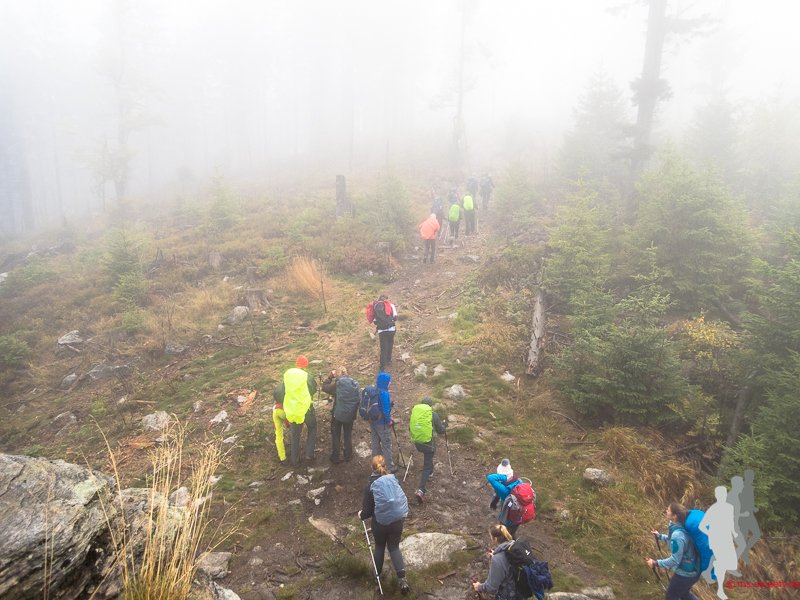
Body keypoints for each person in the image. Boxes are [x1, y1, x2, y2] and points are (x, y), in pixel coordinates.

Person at [359, 455, 411, 595]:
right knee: (394, 547)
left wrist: (361, 515)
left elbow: (367, 512)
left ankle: (378, 576)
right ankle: (403, 580)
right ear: (385, 466)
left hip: (380, 524)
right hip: (397, 521)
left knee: (380, 547)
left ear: (372, 468)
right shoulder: (394, 479)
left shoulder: (370, 486)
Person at [646, 502, 701, 600]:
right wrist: (660, 536)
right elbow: (677, 542)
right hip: (694, 571)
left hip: (685, 574)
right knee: (684, 595)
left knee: (670, 597)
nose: (666, 511)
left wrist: (655, 563)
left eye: (668, 510)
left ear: (674, 516)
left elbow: (675, 560)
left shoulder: (678, 534)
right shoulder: (681, 526)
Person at [273, 355, 318, 467]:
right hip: (306, 409)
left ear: (296, 364)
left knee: (295, 435)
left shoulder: (288, 375)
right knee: (312, 427)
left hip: (293, 411)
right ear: (305, 366)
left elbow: (280, 392)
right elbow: (314, 389)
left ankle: (295, 461)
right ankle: (309, 454)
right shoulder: (307, 376)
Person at [699, 487, 740, 599]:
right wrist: (711, 534)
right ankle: (720, 590)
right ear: (717, 496)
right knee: (722, 563)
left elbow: (730, 523)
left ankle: (710, 570)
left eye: (724, 494)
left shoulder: (729, 507)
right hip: (717, 540)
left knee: (730, 563)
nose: (723, 496)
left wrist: (734, 533)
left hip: (727, 539)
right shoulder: (713, 510)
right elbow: (702, 526)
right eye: (721, 494)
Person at [472, 524, 526, 599]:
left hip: (507, 595)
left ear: (495, 539)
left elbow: (491, 588)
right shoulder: (514, 546)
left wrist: (479, 587)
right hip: (521, 590)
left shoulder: (497, 559)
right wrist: (496, 555)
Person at [408, 397, 446, 504]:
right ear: (430, 406)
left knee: (428, 458)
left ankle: (430, 472)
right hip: (429, 445)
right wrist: (445, 425)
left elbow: (410, 428)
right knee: (427, 464)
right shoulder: (433, 415)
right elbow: (441, 430)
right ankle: (421, 490)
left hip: (418, 443)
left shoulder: (416, 413)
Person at [321, 367, 360, 464]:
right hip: (350, 414)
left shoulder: (337, 385)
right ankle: (348, 455)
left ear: (337, 374)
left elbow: (324, 387)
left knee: (336, 435)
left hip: (337, 415)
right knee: (347, 434)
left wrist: (330, 377)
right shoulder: (354, 384)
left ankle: (336, 457)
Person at [366, 371, 396, 473]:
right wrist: (389, 421)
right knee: (386, 445)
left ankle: (376, 467)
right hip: (382, 423)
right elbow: (386, 411)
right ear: (385, 382)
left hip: (373, 422)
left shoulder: (374, 391)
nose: (390, 383)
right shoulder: (384, 393)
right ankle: (389, 467)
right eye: (388, 381)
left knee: (375, 444)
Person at [369, 294, 397, 372]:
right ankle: (389, 360)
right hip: (391, 329)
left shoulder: (375, 306)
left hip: (381, 331)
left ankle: (382, 366)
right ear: (386, 299)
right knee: (390, 344)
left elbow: (374, 321)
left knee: (383, 348)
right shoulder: (391, 305)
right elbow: (395, 317)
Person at [271, 397, 288, 464]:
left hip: (275, 410)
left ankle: (282, 457)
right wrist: (287, 423)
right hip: (282, 410)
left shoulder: (276, 393)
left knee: (278, 436)